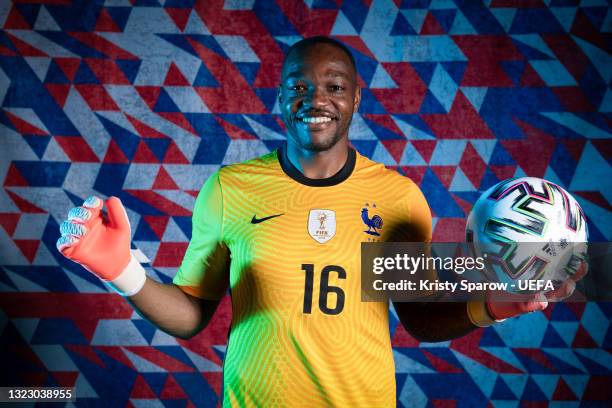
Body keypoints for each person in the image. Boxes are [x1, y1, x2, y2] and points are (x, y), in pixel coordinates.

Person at [57, 36, 550, 407]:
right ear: (280, 98)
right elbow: (191, 317)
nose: (316, 99)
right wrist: (124, 272)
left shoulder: (399, 199)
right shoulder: (230, 189)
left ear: (356, 99)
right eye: (300, 86)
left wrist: (495, 305)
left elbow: (418, 317)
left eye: (335, 86)